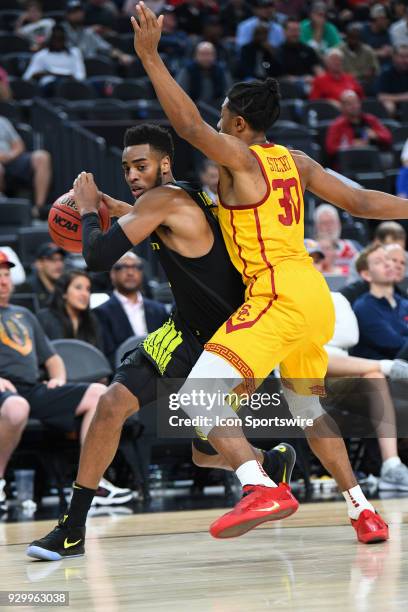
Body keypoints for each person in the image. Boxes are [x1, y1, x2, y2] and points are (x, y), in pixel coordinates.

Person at [129, 2, 408, 543]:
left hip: (276, 294)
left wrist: (150, 56)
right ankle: (361, 510)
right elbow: (363, 203)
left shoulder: (240, 157)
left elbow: (185, 125)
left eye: (222, 120)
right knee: (306, 406)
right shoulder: (297, 161)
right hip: (313, 296)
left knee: (196, 396)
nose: (215, 126)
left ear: (236, 124)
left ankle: (260, 485)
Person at [27, 123, 295, 560]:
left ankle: (265, 467)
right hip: (185, 332)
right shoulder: (182, 195)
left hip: (228, 342)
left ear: (164, 164)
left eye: (141, 165)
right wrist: (111, 206)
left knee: (207, 454)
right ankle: (73, 527)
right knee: (113, 405)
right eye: (126, 167)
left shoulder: (163, 201)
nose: (132, 174)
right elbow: (142, 216)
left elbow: (96, 257)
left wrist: (91, 209)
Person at [0, 252, 131, 511]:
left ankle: (92, 484)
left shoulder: (23, 314)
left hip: (31, 388)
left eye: (6, 275)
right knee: (17, 408)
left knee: (98, 393)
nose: (4, 281)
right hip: (6, 391)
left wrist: (58, 378)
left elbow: (52, 358)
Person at [307, 240, 408, 493]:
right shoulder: (283, 301)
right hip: (301, 374)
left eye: (318, 260)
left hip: (338, 369)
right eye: (308, 259)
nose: (314, 265)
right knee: (314, 355)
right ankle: (386, 366)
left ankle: (391, 466)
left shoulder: (337, 299)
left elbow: (349, 335)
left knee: (373, 375)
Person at [94, 252, 168, 363]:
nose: (130, 272)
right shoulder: (101, 313)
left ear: (142, 273)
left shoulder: (159, 310)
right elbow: (107, 355)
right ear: (112, 274)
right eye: (123, 267)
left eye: (136, 267)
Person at [351, 244, 408, 361]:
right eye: (378, 262)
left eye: (388, 258)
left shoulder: (404, 303)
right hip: (383, 373)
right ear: (366, 275)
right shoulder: (364, 308)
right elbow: (394, 345)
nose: (388, 264)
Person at [37, 270, 104, 351]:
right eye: (78, 288)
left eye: (88, 289)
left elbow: (98, 355)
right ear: (64, 293)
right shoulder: (45, 318)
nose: (85, 294)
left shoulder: (92, 320)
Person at [0, 116, 52, 217]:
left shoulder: (2, 121)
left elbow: (19, 145)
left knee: (42, 157)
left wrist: (10, 155)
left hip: (11, 159)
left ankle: (38, 209)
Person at [326, 90, 392, 160]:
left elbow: (388, 137)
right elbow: (331, 149)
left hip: (372, 157)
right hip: (349, 160)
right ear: (342, 107)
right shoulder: (337, 125)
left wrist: (376, 135)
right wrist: (351, 145)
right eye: (349, 104)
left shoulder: (370, 119)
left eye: (356, 102)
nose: (354, 106)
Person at [23, 24, 86, 97]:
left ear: (65, 39)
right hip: (48, 86)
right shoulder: (41, 55)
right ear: (50, 39)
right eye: (55, 38)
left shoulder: (75, 52)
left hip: (71, 85)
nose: (57, 42)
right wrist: (42, 74)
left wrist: (67, 77)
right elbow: (27, 77)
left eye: (60, 39)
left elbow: (81, 76)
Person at [63, 0, 132, 65]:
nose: (78, 14)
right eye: (73, 12)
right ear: (67, 14)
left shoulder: (88, 32)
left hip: (90, 67)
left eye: (79, 11)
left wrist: (121, 55)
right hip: (70, 66)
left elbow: (107, 48)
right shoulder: (60, 31)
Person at [313, 203, 362, 275]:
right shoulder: (310, 248)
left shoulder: (353, 246)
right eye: (324, 223)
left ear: (339, 224)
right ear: (317, 226)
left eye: (331, 222)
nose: (329, 227)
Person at [278, 18, 321, 88]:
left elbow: (318, 70)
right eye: (292, 30)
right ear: (284, 32)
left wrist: (319, 79)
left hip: (311, 85)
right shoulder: (278, 52)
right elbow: (278, 77)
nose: (295, 34)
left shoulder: (308, 50)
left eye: (297, 30)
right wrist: (301, 80)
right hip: (289, 89)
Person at [19, 243, 66, 309]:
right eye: (52, 259)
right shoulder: (27, 288)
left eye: (61, 259)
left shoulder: (66, 286)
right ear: (39, 264)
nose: (59, 264)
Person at [340, 23, 380, 90]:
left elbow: (375, 70)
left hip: (365, 83)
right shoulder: (339, 51)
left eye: (356, 38)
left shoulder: (368, 51)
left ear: (360, 38)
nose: (354, 41)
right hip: (344, 83)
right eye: (351, 38)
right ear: (347, 38)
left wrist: (372, 72)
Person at [377, 45, 408, 116]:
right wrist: (404, 97)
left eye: (407, 57)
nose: (406, 60)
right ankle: (391, 126)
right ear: (394, 57)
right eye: (402, 57)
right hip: (395, 105)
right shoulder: (386, 73)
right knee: (388, 105)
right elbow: (381, 96)